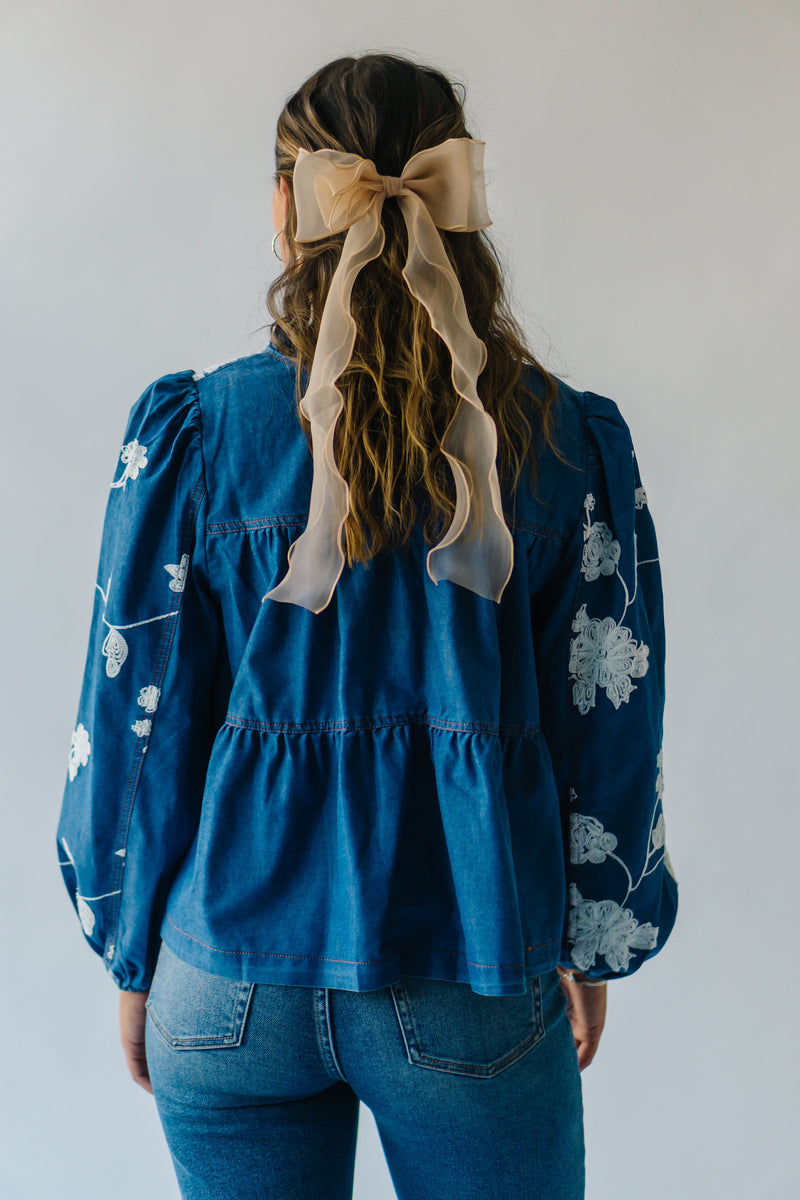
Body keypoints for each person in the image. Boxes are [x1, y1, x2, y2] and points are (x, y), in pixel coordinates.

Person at [56, 51, 678, 1200]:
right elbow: (606, 723)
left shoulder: (196, 436)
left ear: (287, 207)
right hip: (473, 966)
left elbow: (134, 721)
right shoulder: (562, 444)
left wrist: (137, 954)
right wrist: (589, 940)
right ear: (462, 204)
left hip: (226, 976)